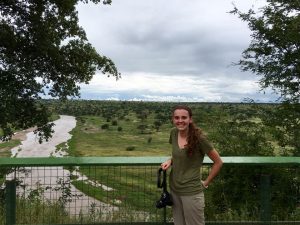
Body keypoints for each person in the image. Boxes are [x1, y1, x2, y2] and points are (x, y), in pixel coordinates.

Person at [161, 105, 223, 225]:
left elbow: (218, 162)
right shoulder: (173, 133)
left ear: (190, 119)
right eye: (177, 118)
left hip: (192, 192)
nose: (180, 121)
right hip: (174, 189)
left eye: (184, 117)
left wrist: (206, 183)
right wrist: (170, 160)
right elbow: (177, 154)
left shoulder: (199, 139)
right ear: (173, 119)